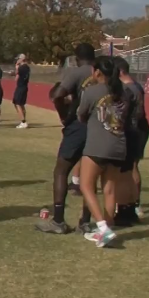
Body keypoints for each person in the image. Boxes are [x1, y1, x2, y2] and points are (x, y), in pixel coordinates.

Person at [75, 55, 135, 247]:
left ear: (97, 72)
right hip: (119, 145)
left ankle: (102, 227)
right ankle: (107, 229)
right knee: (109, 190)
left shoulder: (93, 91)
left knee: (86, 186)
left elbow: (81, 115)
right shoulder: (125, 92)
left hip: (97, 145)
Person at [36, 43, 97, 234]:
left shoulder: (76, 73)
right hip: (99, 127)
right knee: (91, 175)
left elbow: (57, 95)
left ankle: (59, 220)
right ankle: (85, 221)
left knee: (61, 171)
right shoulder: (101, 72)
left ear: (77, 58)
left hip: (78, 125)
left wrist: (64, 115)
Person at [114, 57, 146, 224]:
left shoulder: (128, 89)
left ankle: (128, 206)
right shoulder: (136, 86)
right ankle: (132, 205)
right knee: (131, 169)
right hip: (137, 129)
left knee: (127, 171)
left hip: (131, 131)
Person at [9, 53, 31, 128]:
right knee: (20, 104)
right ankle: (23, 120)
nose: (17, 60)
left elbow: (16, 76)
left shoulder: (22, 68)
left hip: (21, 87)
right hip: (24, 86)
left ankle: (23, 121)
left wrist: (15, 69)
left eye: (18, 59)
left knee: (18, 104)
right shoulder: (27, 67)